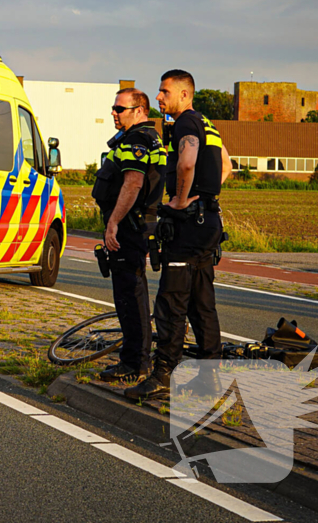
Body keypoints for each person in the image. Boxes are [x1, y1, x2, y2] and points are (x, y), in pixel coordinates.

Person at [126, 70, 232, 401]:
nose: (158, 98)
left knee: (172, 301)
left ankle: (161, 376)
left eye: (164, 91)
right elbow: (227, 164)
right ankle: (209, 378)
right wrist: (207, 194)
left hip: (189, 226)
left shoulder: (185, 122)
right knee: (202, 304)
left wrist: (182, 199)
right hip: (209, 222)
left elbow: (186, 164)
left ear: (184, 95)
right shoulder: (207, 124)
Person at [91, 87, 166, 384]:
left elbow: (133, 184)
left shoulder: (137, 139)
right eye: (114, 107)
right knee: (131, 296)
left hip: (129, 228)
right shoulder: (148, 138)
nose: (114, 112)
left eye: (119, 108)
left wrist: (113, 223)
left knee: (130, 297)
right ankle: (135, 359)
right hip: (137, 226)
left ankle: (135, 363)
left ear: (139, 111)